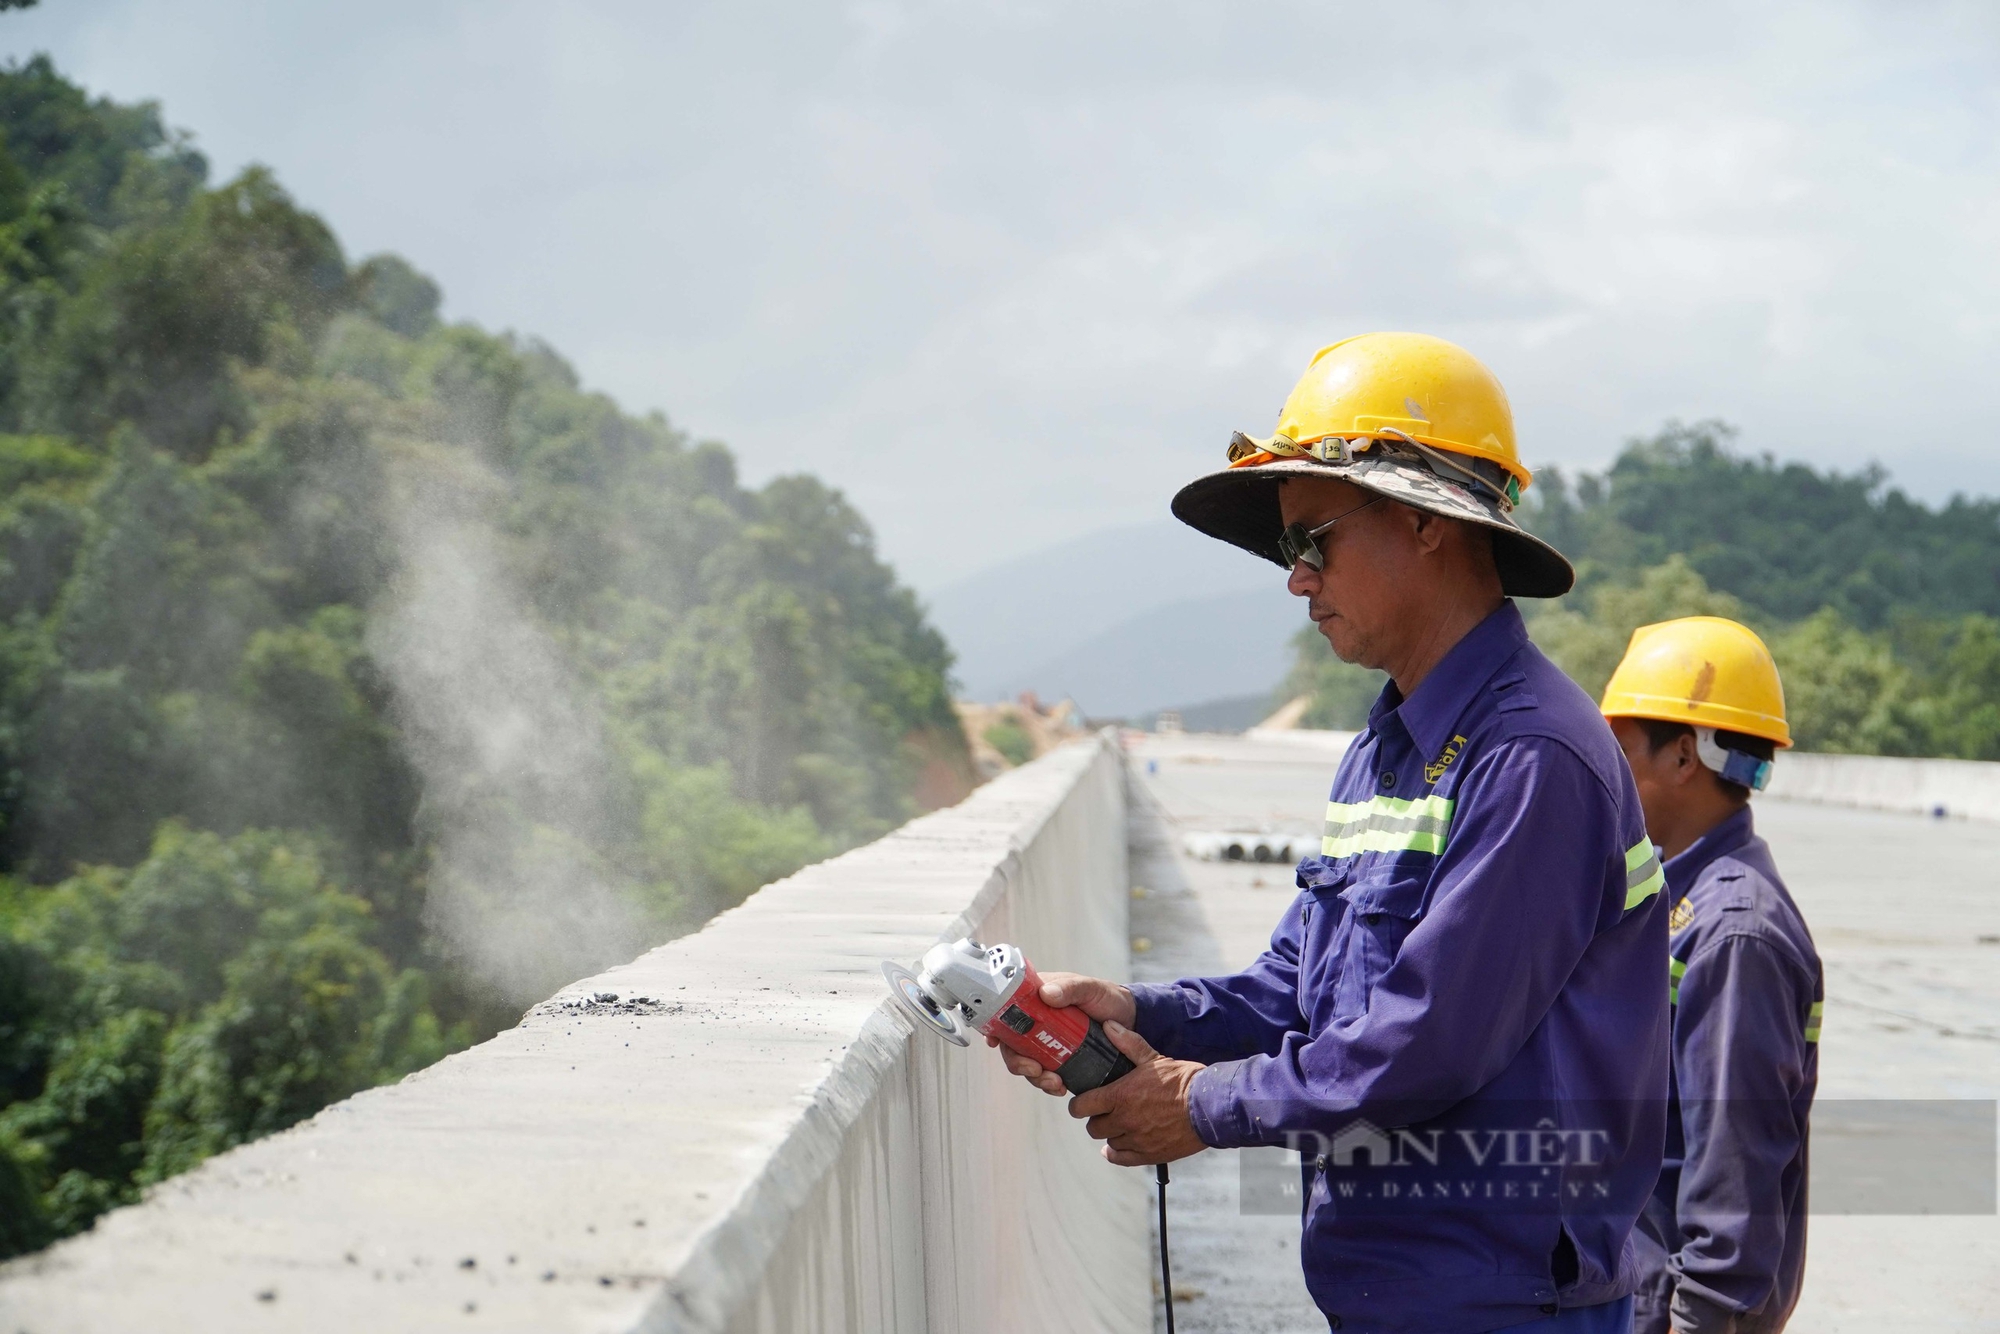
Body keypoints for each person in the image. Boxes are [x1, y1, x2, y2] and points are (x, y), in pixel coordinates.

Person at [991, 332, 1669, 1334]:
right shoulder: (1385, 747)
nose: (1295, 579)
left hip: (1511, 1302)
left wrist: (1201, 1103)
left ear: (1421, 520)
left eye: (1312, 540)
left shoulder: (1531, 757)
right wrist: (1138, 1008)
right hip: (1403, 1292)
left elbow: (1429, 1037)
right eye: (1285, 550)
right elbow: (1294, 989)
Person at [1599, 618, 1822, 1334]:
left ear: (1686, 756)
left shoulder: (1734, 932)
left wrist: (1701, 1318)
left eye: (1621, 750)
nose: (1609, 775)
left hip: (1671, 1309)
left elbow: (1737, 1157)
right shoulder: (1673, 896)